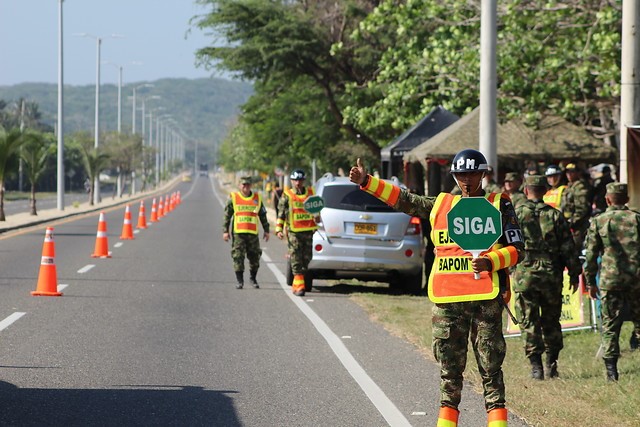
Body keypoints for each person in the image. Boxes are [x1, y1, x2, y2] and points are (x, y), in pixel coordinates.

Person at [349, 149, 524, 427]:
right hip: (449, 299)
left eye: (473, 173)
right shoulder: (441, 205)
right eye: (462, 174)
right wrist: (367, 181)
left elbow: (518, 249)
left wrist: (491, 261)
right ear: (455, 176)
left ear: (483, 174)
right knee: (449, 371)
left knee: (491, 368)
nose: (467, 180)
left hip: (485, 299)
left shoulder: (498, 204)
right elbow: (404, 200)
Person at [512, 175, 581, 380]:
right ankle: (552, 364)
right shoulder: (555, 215)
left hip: (525, 275)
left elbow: (505, 244)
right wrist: (575, 272)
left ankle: (536, 367)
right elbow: (568, 248)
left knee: (528, 320)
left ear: (526, 191)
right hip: (551, 275)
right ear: (544, 191)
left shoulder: (515, 215)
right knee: (551, 319)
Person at [584, 182, 640, 381]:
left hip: (610, 280)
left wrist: (590, 282)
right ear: (626, 199)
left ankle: (611, 371)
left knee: (610, 324)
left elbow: (590, 255)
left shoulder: (599, 221)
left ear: (608, 199)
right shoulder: (636, 219)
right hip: (636, 279)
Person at [275, 169, 317, 297]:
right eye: (295, 180)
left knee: (307, 259)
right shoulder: (287, 195)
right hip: (294, 232)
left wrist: (318, 219)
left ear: (303, 181)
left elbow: (316, 211)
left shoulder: (311, 193)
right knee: (296, 258)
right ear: (292, 181)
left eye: (300, 180)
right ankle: (299, 287)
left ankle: (298, 283)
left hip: (308, 232)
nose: (298, 183)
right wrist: (279, 229)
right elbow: (281, 214)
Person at [222, 176, 270, 289]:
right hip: (238, 234)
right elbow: (227, 216)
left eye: (248, 185)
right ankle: (240, 281)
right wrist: (225, 231)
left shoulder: (257, 198)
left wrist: (267, 230)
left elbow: (262, 215)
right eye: (243, 185)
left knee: (255, 257)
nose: (245, 187)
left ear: (251, 186)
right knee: (238, 257)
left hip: (252, 234)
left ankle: (253, 278)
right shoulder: (233, 198)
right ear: (239, 185)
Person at [561, 163, 594, 249]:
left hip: (577, 226)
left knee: (574, 249)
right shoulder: (569, 186)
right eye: (567, 172)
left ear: (578, 173)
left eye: (572, 172)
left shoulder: (580, 187)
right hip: (567, 223)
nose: (569, 175)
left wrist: (572, 222)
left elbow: (582, 208)